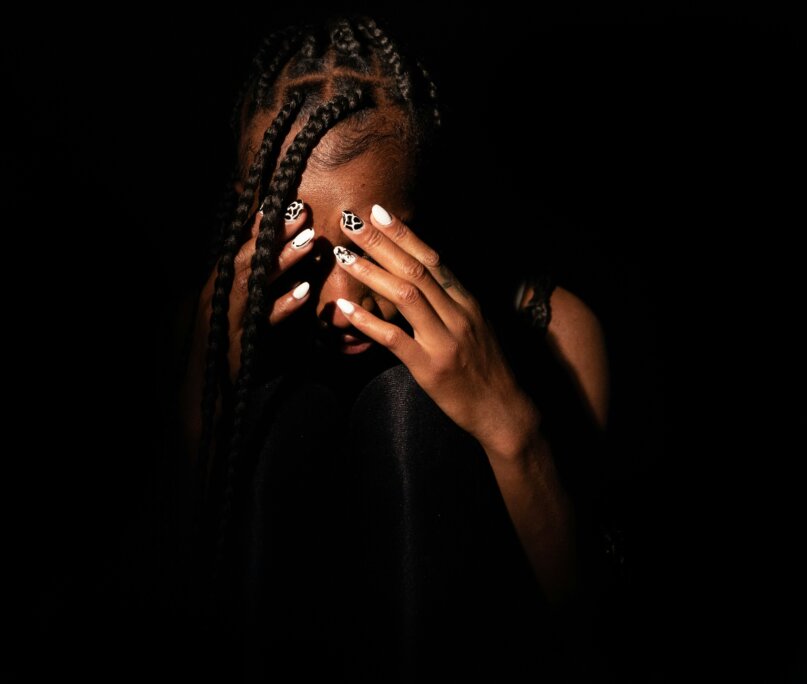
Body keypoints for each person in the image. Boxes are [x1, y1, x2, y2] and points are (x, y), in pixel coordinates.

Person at [177, 15, 612, 682]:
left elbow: (598, 632)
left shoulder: (552, 329)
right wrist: (208, 400)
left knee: (410, 404)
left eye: (367, 243)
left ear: (430, 204)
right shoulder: (212, 334)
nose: (342, 302)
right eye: (307, 254)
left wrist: (508, 426)